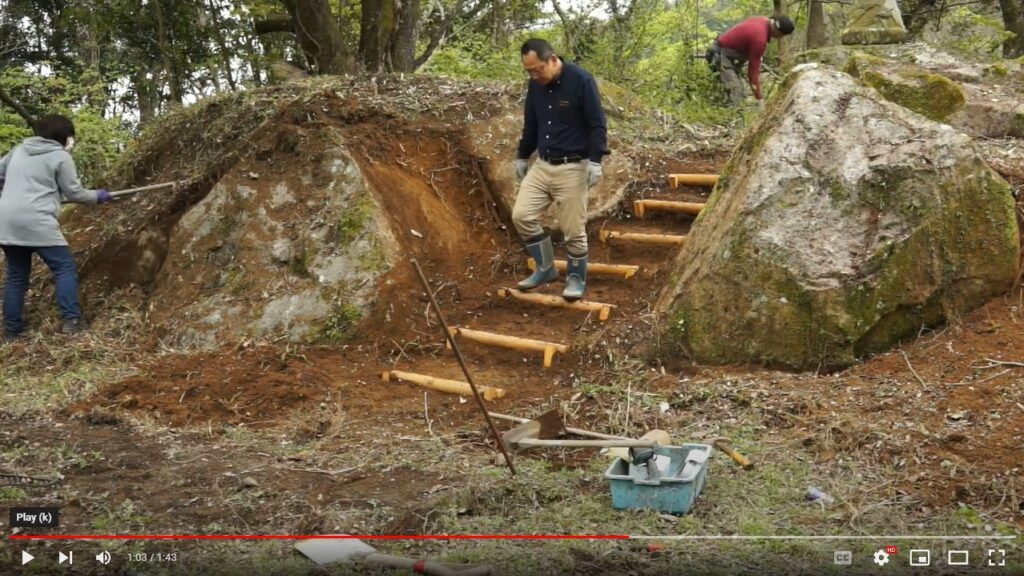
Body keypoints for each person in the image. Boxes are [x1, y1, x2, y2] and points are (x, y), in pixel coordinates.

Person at [0, 114, 111, 341]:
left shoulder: (18, 150)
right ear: (63, 137)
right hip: (37, 220)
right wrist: (98, 196)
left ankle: (12, 332)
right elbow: (75, 193)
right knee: (64, 268)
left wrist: (12, 192)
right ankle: (71, 320)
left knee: (16, 276)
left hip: (7, 220)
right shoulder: (60, 156)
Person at [513, 38, 608, 302]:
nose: (534, 75)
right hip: (543, 165)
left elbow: (597, 124)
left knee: (572, 230)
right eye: (529, 71)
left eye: (538, 69)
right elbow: (531, 124)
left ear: (553, 59)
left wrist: (596, 160)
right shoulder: (535, 86)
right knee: (522, 215)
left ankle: (576, 278)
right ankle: (545, 269)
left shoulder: (581, 81)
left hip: (574, 167)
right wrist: (522, 156)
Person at [707, 15, 795, 107]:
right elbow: (752, 73)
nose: (780, 38)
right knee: (736, 91)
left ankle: (720, 110)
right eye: (781, 35)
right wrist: (759, 98)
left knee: (740, 94)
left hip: (724, 54)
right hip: (720, 55)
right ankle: (731, 119)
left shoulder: (762, 20)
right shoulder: (759, 40)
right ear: (778, 32)